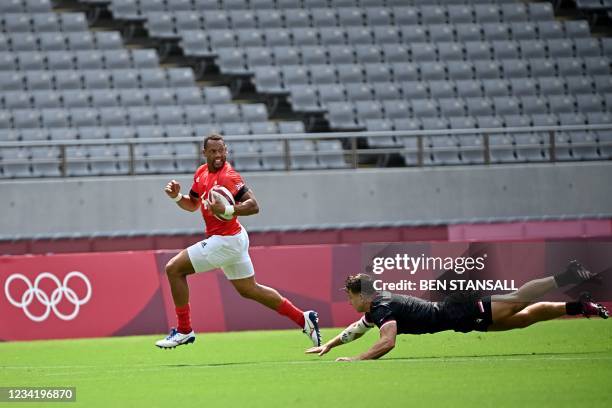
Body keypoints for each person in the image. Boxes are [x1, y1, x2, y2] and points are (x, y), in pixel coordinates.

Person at [155, 133, 321, 349]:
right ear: (204, 153)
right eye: (213, 151)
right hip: (233, 238)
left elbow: (254, 206)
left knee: (174, 269)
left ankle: (184, 330)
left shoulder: (229, 176)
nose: (218, 155)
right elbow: (193, 204)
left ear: (227, 151)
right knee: (249, 289)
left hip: (226, 240)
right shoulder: (201, 173)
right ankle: (303, 318)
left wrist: (228, 209)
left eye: (222, 150)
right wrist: (177, 197)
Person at [306, 261, 608, 361]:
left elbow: (388, 342)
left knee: (517, 302)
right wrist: (330, 345)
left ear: (362, 295)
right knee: (522, 319)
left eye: (349, 297)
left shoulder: (382, 307)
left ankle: (566, 276)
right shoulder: (375, 308)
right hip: (460, 318)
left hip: (462, 310)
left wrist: (357, 360)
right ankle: (579, 305)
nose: (348, 302)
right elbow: (357, 328)